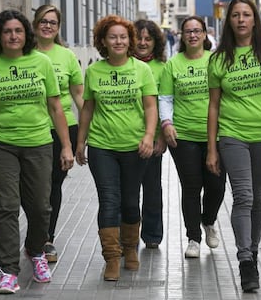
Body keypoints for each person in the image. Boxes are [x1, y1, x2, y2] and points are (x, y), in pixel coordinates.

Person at [0, 9, 74, 294]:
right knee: (7, 208)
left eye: (18, 31)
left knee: (41, 207)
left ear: (27, 34)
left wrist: (66, 146)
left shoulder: (41, 62)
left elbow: (55, 107)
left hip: (38, 142)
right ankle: (9, 270)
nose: (13, 36)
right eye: (7, 31)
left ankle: (35, 251)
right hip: (0, 143)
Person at [206, 0, 261, 292]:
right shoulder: (218, 60)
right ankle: (245, 260)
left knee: (257, 196)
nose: (241, 20)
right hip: (232, 136)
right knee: (242, 196)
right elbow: (214, 106)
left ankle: (252, 251)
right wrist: (212, 148)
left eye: (246, 15)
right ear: (228, 21)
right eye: (235, 15)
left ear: (255, 20)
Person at [75, 15, 158, 281]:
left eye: (123, 36)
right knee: (109, 201)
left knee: (131, 201)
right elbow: (88, 108)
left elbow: (150, 106)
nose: (119, 41)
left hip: (135, 147)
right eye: (113, 37)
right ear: (103, 41)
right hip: (102, 147)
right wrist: (80, 141)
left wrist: (148, 136)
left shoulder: (142, 70)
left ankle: (130, 249)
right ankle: (111, 257)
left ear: (130, 40)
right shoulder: (95, 71)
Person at [159, 15, 226, 259]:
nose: (193, 35)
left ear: (205, 34)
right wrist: (166, 123)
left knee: (217, 186)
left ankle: (208, 221)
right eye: (188, 31)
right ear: (182, 36)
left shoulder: (216, 60)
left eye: (197, 31)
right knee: (191, 187)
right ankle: (193, 238)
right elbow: (165, 98)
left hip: (216, 135)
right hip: (184, 135)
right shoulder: (173, 65)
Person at [32, 4, 84, 263]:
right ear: (35, 24)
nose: (48, 26)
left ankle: (46, 238)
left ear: (58, 27)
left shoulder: (67, 56)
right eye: (43, 21)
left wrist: (88, 130)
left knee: (53, 185)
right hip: (33, 127)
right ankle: (37, 233)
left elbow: (78, 95)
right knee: (31, 188)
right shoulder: (24, 53)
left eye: (52, 22)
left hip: (63, 129)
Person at [133, 19, 167, 249]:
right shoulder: (124, 65)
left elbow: (165, 103)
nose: (143, 43)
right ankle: (128, 233)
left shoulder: (163, 68)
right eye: (139, 38)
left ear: (156, 43)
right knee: (128, 191)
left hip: (152, 139)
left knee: (152, 188)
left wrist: (161, 137)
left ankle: (153, 235)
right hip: (126, 138)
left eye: (148, 39)